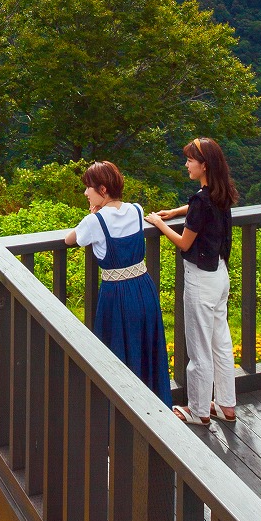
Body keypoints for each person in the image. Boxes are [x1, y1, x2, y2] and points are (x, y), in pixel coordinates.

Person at [145, 137, 238, 426]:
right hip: (220, 275)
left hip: (201, 279)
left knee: (199, 349)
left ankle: (198, 411)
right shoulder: (221, 193)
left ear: (204, 165)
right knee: (220, 343)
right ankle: (226, 406)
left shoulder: (202, 199)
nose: (186, 164)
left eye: (190, 160)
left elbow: (185, 243)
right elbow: (200, 208)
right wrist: (175, 212)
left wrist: (160, 224)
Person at [65, 161, 173, 407]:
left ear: (102, 190)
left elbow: (69, 238)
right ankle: (155, 408)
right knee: (146, 347)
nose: (85, 193)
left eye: (88, 188)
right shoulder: (136, 209)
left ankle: (120, 415)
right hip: (144, 288)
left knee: (116, 354)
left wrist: (91, 216)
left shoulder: (95, 221)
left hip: (116, 294)